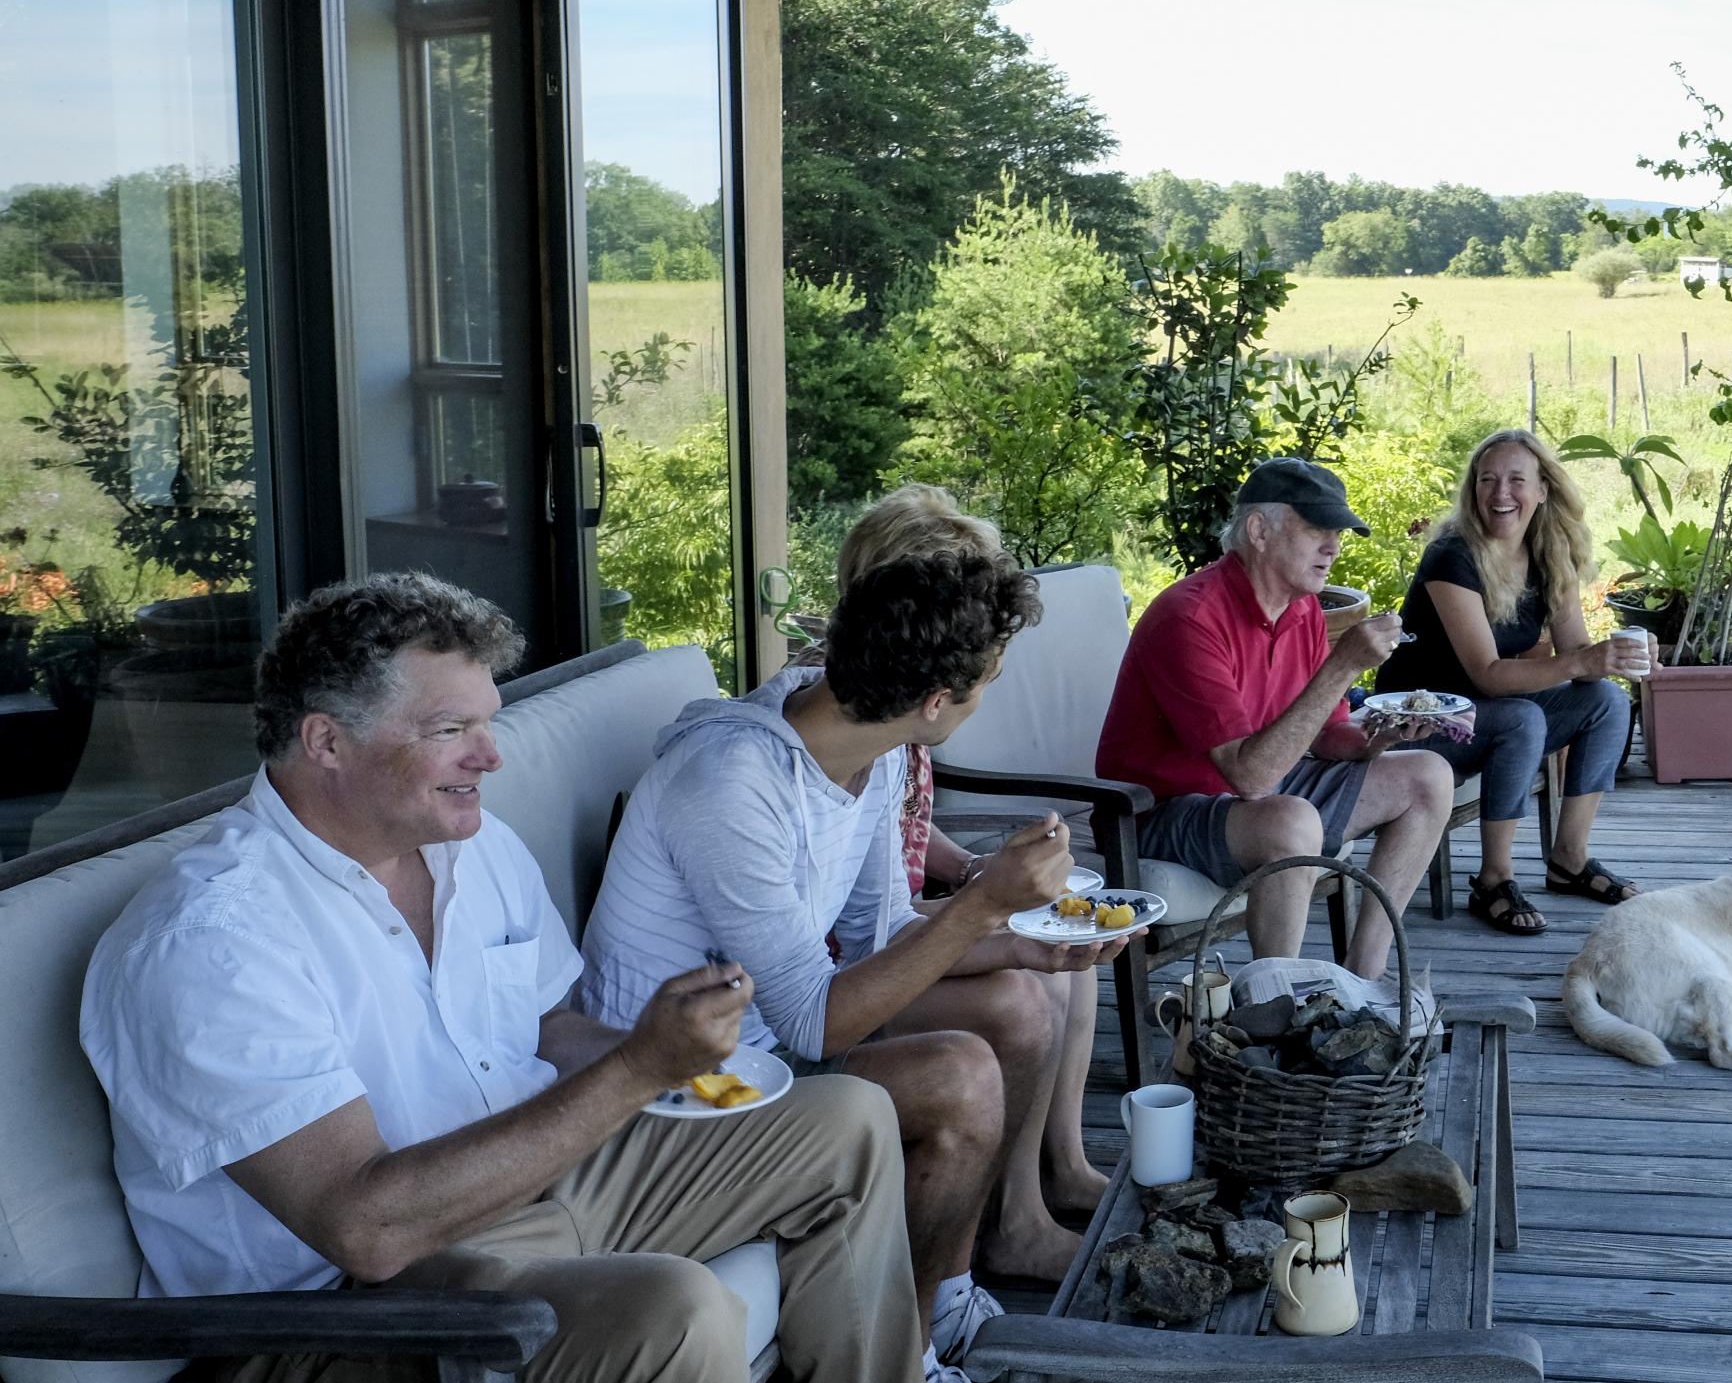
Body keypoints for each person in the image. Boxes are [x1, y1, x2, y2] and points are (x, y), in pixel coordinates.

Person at [79, 572, 926, 1383]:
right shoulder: (211, 941)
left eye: (489, 722)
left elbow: (549, 1028)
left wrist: (678, 1060)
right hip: (336, 1314)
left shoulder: (471, 847)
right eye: (450, 729)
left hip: (533, 1189)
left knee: (847, 1118)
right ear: (327, 740)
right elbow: (365, 1228)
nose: (491, 756)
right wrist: (637, 1069)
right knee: (675, 1310)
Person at [580, 549, 1123, 1369]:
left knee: (1012, 1005)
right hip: (676, 1083)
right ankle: (914, 1349)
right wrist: (983, 900)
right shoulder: (732, 782)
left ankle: (941, 1304)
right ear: (937, 700)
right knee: (960, 1075)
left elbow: (885, 937)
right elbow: (817, 1017)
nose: (986, 698)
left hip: (764, 1039)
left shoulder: (877, 751)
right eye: (989, 682)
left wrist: (1023, 941)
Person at [806, 485, 1110, 1256]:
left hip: (894, 923)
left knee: (1068, 954)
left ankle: (1060, 1166)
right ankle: (1014, 1219)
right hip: (850, 964)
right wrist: (980, 906)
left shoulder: (892, 701)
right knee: (1024, 994)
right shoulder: (847, 703)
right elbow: (839, 942)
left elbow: (902, 824)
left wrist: (973, 866)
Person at [1095, 457, 1454, 977]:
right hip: (1154, 813)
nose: (1332, 546)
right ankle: (1276, 1002)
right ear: (1260, 531)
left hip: (1253, 796)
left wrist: (1379, 736)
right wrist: (1345, 664)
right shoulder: (1189, 617)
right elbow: (1251, 776)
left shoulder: (1301, 608)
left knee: (1429, 775)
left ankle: (1361, 983)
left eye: (1337, 533)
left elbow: (1330, 734)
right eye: (1316, 530)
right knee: (1290, 820)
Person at [1374, 427, 1645, 935]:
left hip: (1483, 713)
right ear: (1473, 490)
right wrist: (1581, 664)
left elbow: (1575, 653)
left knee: (1606, 700)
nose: (1501, 494)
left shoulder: (1549, 553)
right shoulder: (1452, 557)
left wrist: (1616, 656)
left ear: (1543, 489)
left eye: (1516, 480)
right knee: (1522, 718)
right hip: (1418, 723)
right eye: (1487, 480)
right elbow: (1489, 675)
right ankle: (1493, 879)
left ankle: (1569, 860)